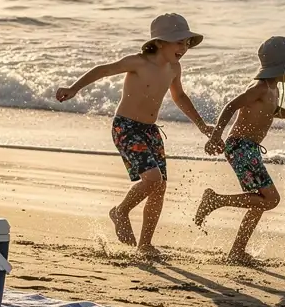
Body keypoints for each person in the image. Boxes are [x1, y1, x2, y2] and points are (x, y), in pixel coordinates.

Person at [56, 14, 211, 254]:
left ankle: (145, 244)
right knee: (153, 179)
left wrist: (201, 125)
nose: (184, 48)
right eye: (179, 42)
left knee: (159, 187)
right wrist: (74, 88)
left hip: (150, 131)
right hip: (126, 128)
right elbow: (103, 70)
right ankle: (120, 212)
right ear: (159, 42)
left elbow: (179, 96)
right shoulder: (138, 62)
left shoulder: (174, 68)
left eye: (187, 43)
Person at [195, 36, 285, 266]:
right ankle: (215, 200)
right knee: (271, 199)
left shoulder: (272, 88)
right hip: (240, 147)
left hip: (248, 148)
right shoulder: (259, 88)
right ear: (283, 66)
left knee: (259, 201)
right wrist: (216, 135)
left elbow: (273, 110)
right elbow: (231, 106)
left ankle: (237, 251)